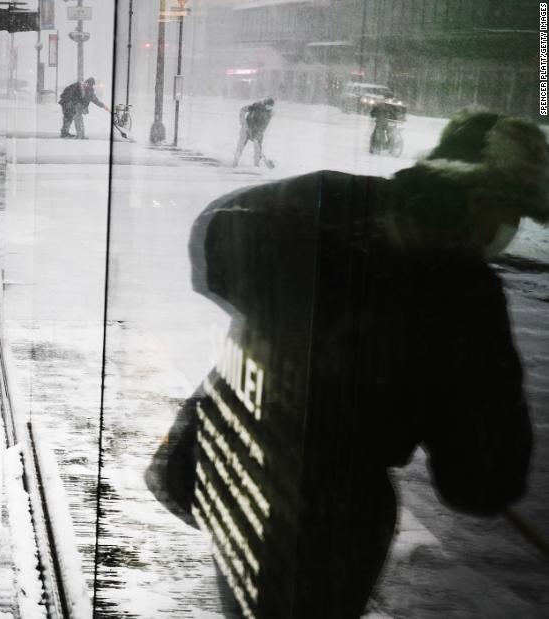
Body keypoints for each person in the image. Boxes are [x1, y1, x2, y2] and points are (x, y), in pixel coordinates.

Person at [149, 109, 544, 616]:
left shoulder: (334, 204)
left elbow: (218, 240)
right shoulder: (462, 288)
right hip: (331, 515)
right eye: (510, 213)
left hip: (236, 469)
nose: (507, 231)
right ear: (480, 195)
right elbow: (480, 475)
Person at [232, 96, 274, 167]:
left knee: (257, 148)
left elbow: (263, 126)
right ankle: (235, 163)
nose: (268, 107)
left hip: (257, 132)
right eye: (267, 105)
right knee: (240, 146)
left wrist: (257, 132)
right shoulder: (255, 106)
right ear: (264, 104)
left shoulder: (269, 113)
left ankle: (256, 165)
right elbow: (242, 110)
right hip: (246, 129)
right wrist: (244, 123)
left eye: (270, 106)